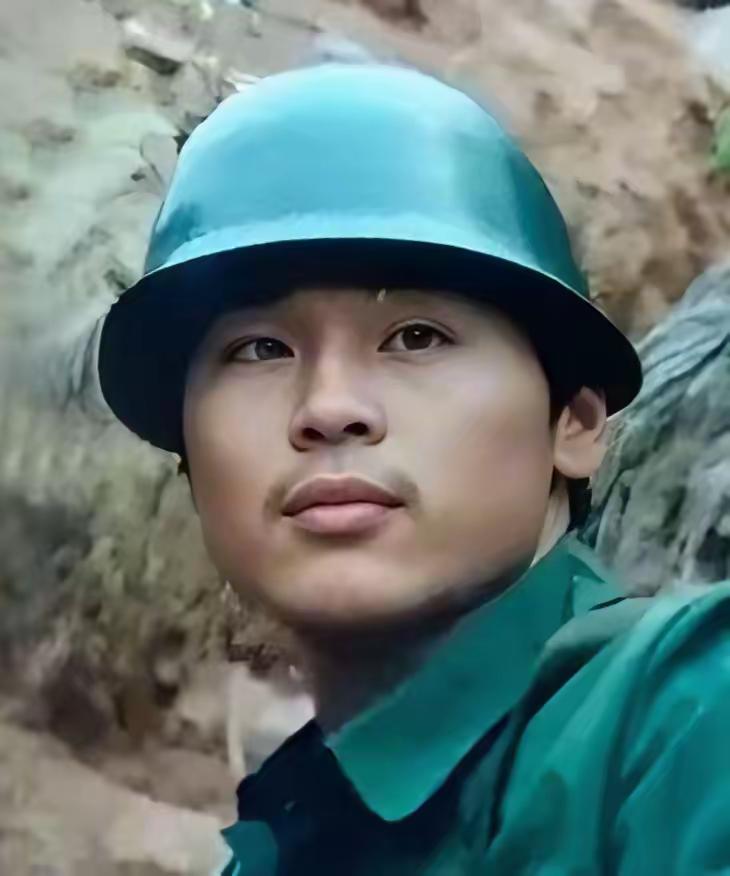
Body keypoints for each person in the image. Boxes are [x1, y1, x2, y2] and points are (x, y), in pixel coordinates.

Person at [97, 63, 730, 874]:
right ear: (189, 458)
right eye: (259, 349)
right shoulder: (283, 848)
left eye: (417, 336)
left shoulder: (688, 717)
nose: (330, 408)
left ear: (574, 421)